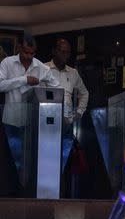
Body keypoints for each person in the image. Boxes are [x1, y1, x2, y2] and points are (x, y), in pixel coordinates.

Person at [0, 33, 60, 174]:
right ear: (19, 48)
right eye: (26, 52)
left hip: (32, 123)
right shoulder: (7, 63)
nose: (28, 56)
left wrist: (43, 91)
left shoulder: (41, 68)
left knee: (30, 164)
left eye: (32, 53)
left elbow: (57, 88)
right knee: (9, 164)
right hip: (10, 121)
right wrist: (24, 80)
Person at [45, 38, 89, 170]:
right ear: (54, 51)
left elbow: (84, 93)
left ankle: (61, 189)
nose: (65, 55)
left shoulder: (73, 72)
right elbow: (38, 95)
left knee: (63, 164)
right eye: (62, 51)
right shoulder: (44, 69)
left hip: (67, 126)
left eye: (68, 52)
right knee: (48, 162)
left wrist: (79, 112)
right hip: (48, 124)